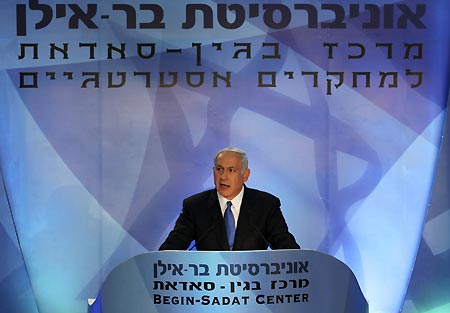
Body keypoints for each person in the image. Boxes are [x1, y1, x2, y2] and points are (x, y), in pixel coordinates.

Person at [159, 147, 300, 251]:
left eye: (231, 170)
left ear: (245, 175)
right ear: (213, 171)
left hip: (254, 287)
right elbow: (171, 249)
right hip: (208, 286)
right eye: (219, 169)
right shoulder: (195, 206)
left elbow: (286, 248)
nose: (223, 177)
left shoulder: (266, 205)